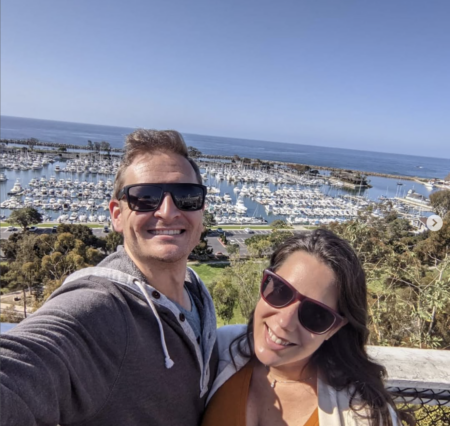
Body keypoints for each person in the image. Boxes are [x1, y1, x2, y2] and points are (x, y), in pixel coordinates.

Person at [0, 130, 218, 426]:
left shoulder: (196, 292)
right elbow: (23, 366)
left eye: (186, 197)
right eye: (145, 198)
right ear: (117, 215)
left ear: (201, 211)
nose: (167, 212)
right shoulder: (99, 308)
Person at [202, 229, 412, 426]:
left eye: (315, 314)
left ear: (334, 328)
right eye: (280, 291)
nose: (284, 322)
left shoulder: (363, 415)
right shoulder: (221, 348)